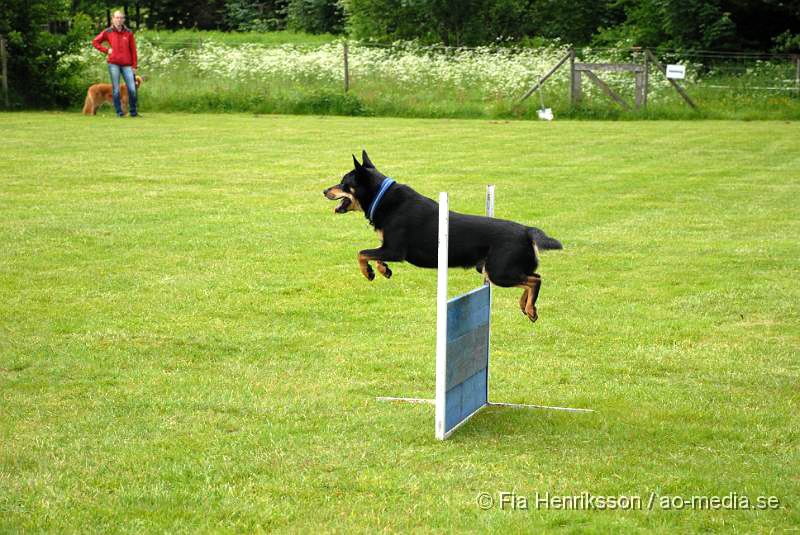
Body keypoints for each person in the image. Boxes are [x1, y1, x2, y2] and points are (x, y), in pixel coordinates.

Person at [92, 11, 140, 117]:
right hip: (113, 64)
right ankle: (119, 112)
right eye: (117, 17)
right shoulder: (107, 31)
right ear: (113, 19)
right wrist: (106, 50)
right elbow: (95, 42)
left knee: (132, 88)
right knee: (116, 89)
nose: (119, 20)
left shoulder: (129, 32)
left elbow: (133, 50)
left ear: (124, 20)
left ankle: (133, 112)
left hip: (127, 64)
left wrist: (134, 65)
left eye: (121, 18)